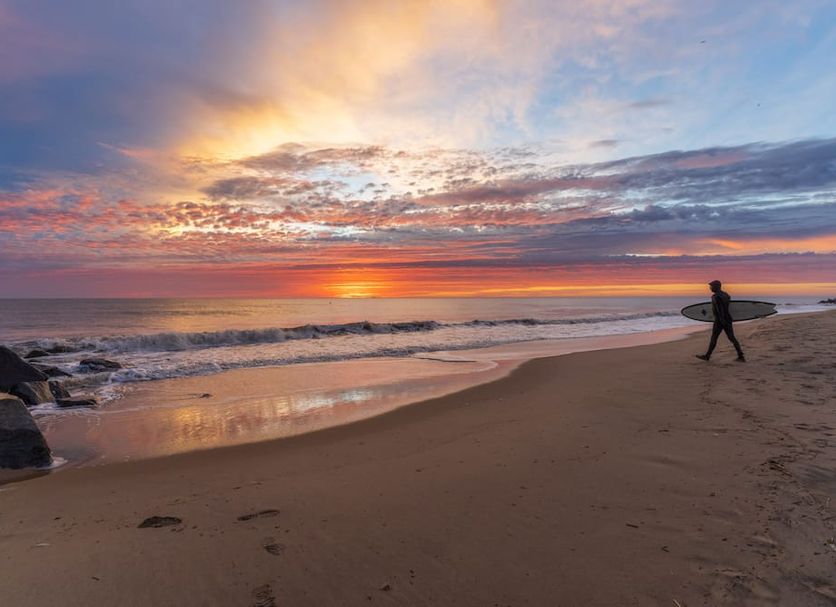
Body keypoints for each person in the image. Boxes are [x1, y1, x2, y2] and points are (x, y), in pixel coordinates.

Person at [696, 280, 745, 362]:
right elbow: (726, 307)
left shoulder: (715, 297)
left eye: (711, 286)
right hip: (728, 319)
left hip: (719, 320)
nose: (710, 288)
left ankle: (707, 356)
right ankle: (741, 356)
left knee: (714, 338)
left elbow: (719, 310)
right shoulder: (726, 295)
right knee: (732, 338)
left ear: (716, 287)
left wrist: (721, 321)